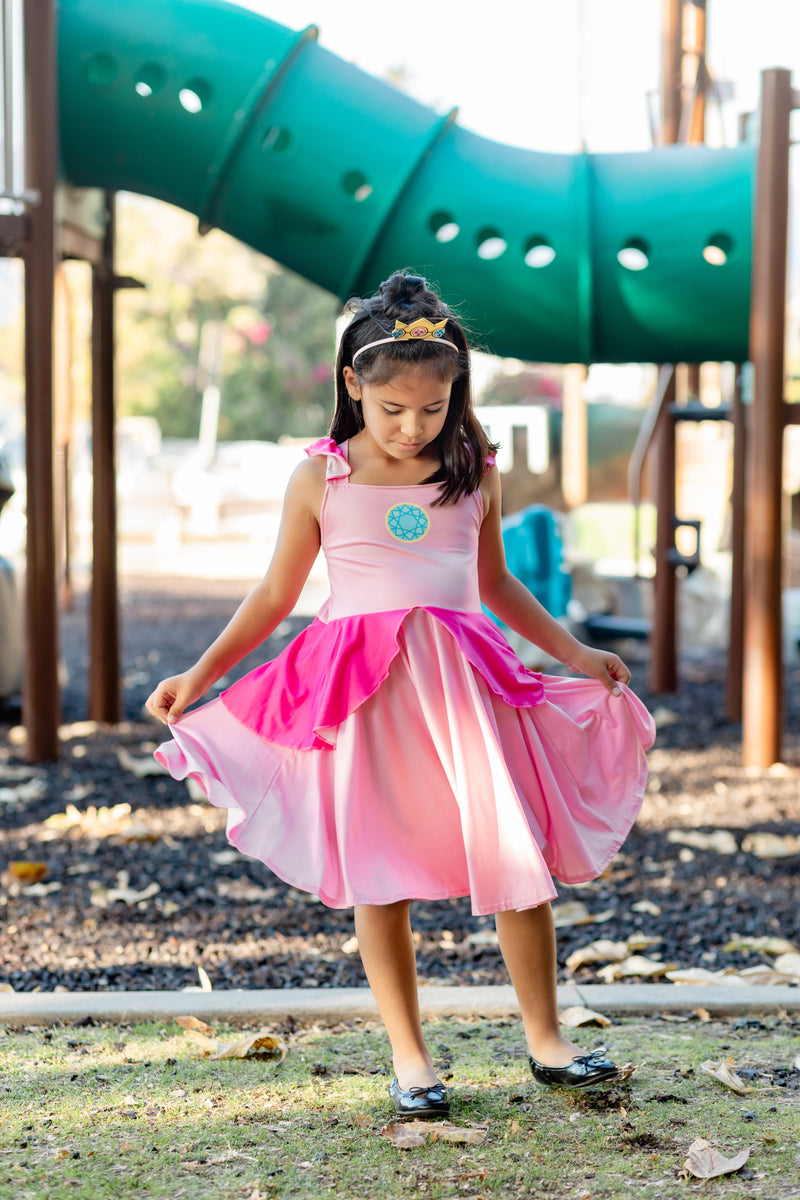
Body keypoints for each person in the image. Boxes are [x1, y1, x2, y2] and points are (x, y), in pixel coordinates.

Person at [147, 271, 655, 1119]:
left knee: (514, 859)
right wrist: (200, 676)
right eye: (395, 411)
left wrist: (572, 649)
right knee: (379, 876)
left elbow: (495, 584)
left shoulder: (474, 471)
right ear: (354, 386)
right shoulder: (323, 478)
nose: (415, 426)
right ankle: (411, 1058)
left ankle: (546, 1040)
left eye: (434, 408)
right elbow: (275, 596)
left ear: (457, 390)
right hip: (365, 698)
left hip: (463, 690)